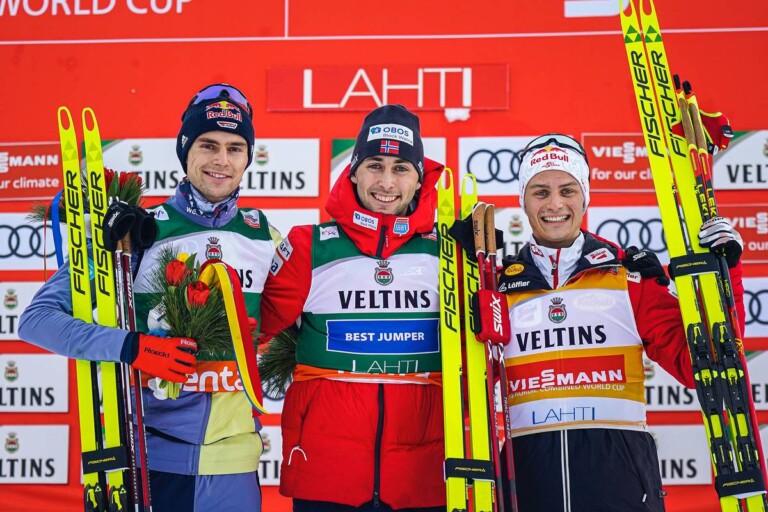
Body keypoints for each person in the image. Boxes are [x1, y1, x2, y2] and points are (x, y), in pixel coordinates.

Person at [19, 83, 277, 512]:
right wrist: (132, 347)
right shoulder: (135, 232)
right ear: (185, 151)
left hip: (235, 468)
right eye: (207, 145)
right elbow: (36, 320)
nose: (221, 160)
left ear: (248, 157)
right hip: (149, 461)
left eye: (235, 148)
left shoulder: (267, 239)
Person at [495, 133, 747, 512]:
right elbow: (466, 384)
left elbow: (704, 365)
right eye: (540, 192)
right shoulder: (498, 287)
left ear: (585, 196)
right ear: (522, 200)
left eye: (568, 190)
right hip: (526, 483)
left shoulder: (629, 277)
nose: (555, 204)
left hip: (620, 486)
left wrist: (726, 275)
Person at [259, 104, 446, 511]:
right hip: (326, 473)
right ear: (354, 171)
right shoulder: (309, 245)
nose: (386, 181)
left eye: (401, 169)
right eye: (375, 165)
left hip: (422, 473)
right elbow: (252, 331)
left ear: (419, 180)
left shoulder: (446, 253)